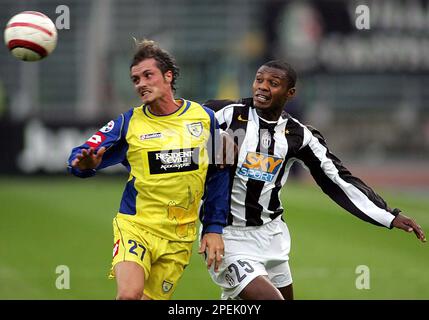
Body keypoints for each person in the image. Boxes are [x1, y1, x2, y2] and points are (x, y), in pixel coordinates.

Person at [203, 60, 426, 300]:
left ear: (290, 93)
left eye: (273, 83)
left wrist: (388, 215)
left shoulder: (299, 135)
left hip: (271, 236)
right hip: (228, 235)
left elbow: (338, 179)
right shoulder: (226, 115)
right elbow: (180, 120)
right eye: (259, 80)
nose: (263, 87)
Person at [67, 40, 228, 300]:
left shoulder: (205, 117)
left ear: (168, 76)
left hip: (179, 235)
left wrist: (214, 228)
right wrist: (83, 165)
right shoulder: (129, 122)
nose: (140, 83)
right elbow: (81, 153)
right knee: (129, 295)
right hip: (137, 225)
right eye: (135, 79)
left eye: (147, 75)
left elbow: (221, 173)